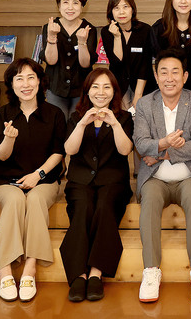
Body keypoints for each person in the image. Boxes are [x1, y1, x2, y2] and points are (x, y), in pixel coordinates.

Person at [133, 48, 191, 303]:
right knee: (149, 201)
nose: (169, 78)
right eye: (163, 72)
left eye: (175, 72)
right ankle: (150, 270)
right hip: (155, 177)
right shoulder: (145, 104)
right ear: (156, 77)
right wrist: (164, 142)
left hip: (189, 175)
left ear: (185, 76)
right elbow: (140, 143)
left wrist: (161, 152)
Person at [0, 58, 66, 302]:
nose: (26, 84)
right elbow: (0, 156)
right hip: (5, 180)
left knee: (36, 200)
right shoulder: (2, 114)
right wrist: (9, 138)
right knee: (15, 200)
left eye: (31, 77)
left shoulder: (54, 114)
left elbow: (59, 152)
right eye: (19, 78)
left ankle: (30, 267)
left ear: (40, 81)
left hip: (44, 179)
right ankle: (4, 270)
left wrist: (38, 175)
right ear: (12, 84)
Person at [61, 69, 134, 303]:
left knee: (104, 206)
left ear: (114, 92)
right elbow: (69, 150)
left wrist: (115, 124)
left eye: (106, 87)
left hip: (113, 181)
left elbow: (125, 150)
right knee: (83, 207)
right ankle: (78, 275)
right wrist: (83, 123)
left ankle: (96, 272)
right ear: (87, 91)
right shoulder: (76, 117)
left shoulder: (124, 118)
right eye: (95, 87)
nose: (100, 92)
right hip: (80, 181)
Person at [40, 0, 98, 120]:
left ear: (82, 6)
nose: (70, 7)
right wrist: (52, 37)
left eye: (75, 2)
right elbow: (51, 61)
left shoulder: (89, 29)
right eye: (65, 2)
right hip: (55, 87)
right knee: (57, 124)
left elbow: (85, 64)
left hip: (81, 89)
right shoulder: (50, 27)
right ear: (59, 6)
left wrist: (82, 42)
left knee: (77, 124)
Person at [100, 0, 156, 111]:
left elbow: (145, 65)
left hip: (143, 85)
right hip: (119, 85)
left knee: (141, 116)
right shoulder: (106, 32)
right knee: (122, 118)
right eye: (116, 8)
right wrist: (117, 37)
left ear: (132, 9)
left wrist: (138, 95)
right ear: (111, 12)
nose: (121, 12)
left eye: (125, 7)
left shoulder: (145, 30)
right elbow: (117, 62)